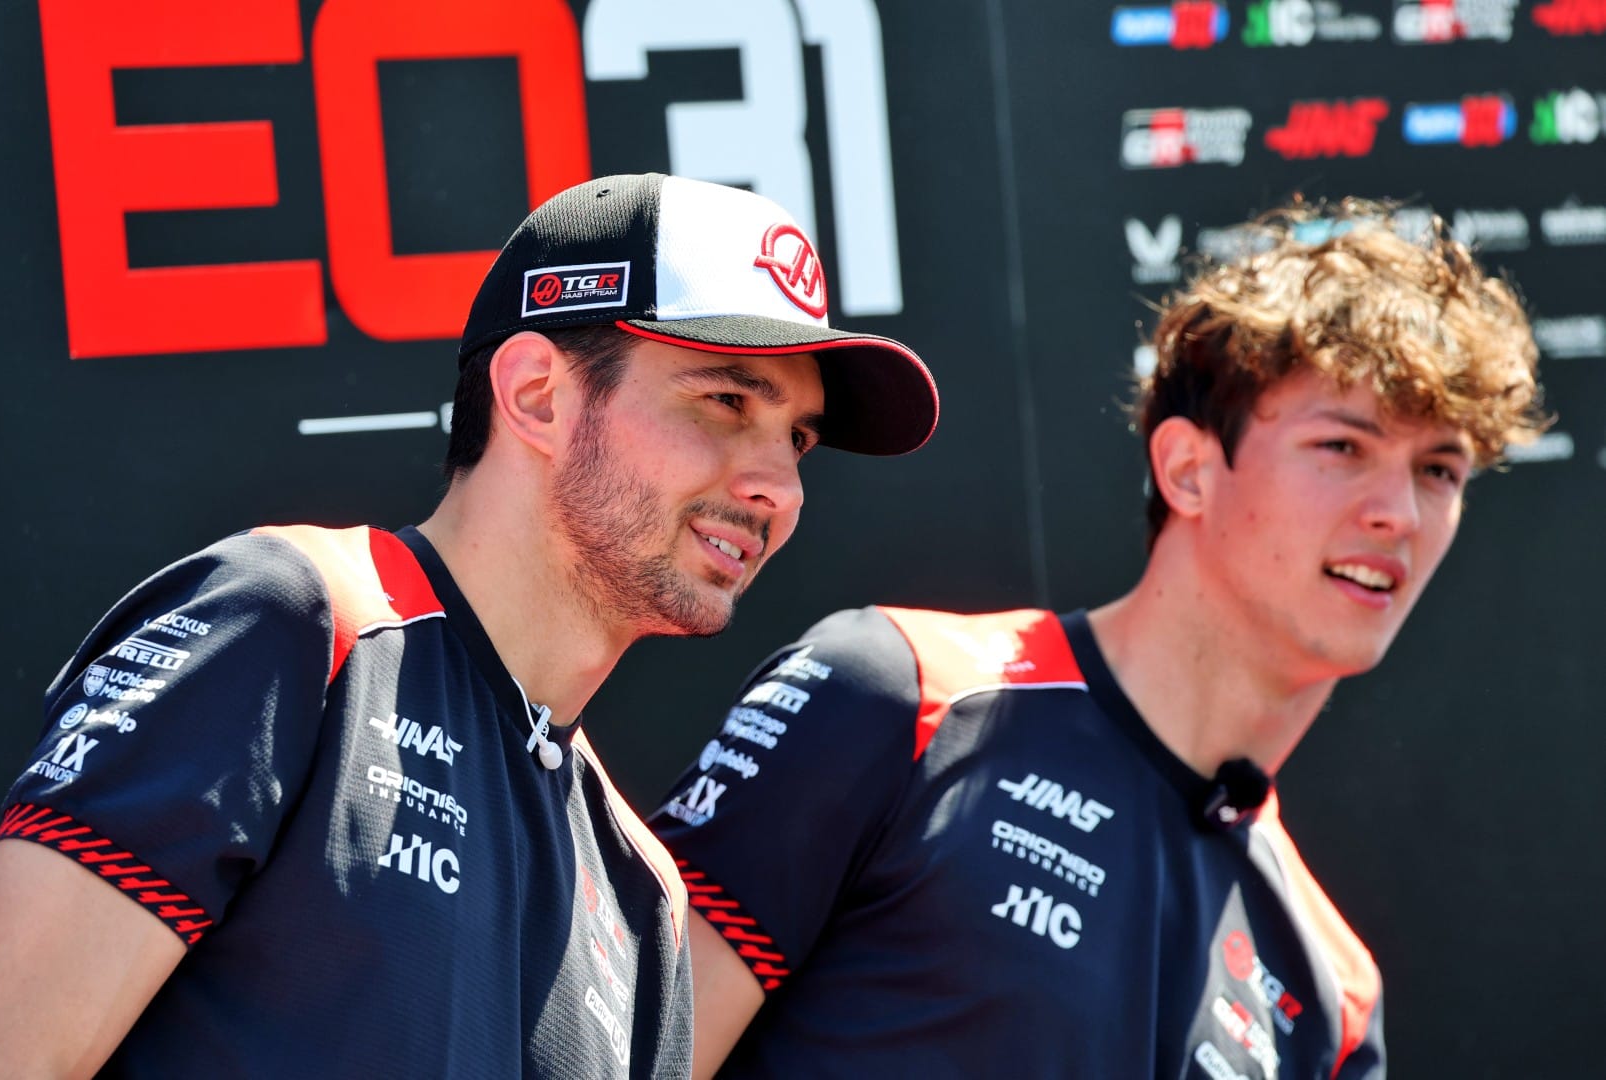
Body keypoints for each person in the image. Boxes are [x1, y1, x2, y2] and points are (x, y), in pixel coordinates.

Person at [0, 173, 938, 1078]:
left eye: (799, 440)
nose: (779, 484)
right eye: (727, 400)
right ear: (537, 395)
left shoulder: (642, 890)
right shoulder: (299, 623)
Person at [651, 198, 1545, 1079]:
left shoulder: (1334, 994)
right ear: (1188, 469)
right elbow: (620, 1053)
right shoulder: (903, 695)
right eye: (1343, 448)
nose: (1397, 514)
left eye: (1438, 471)